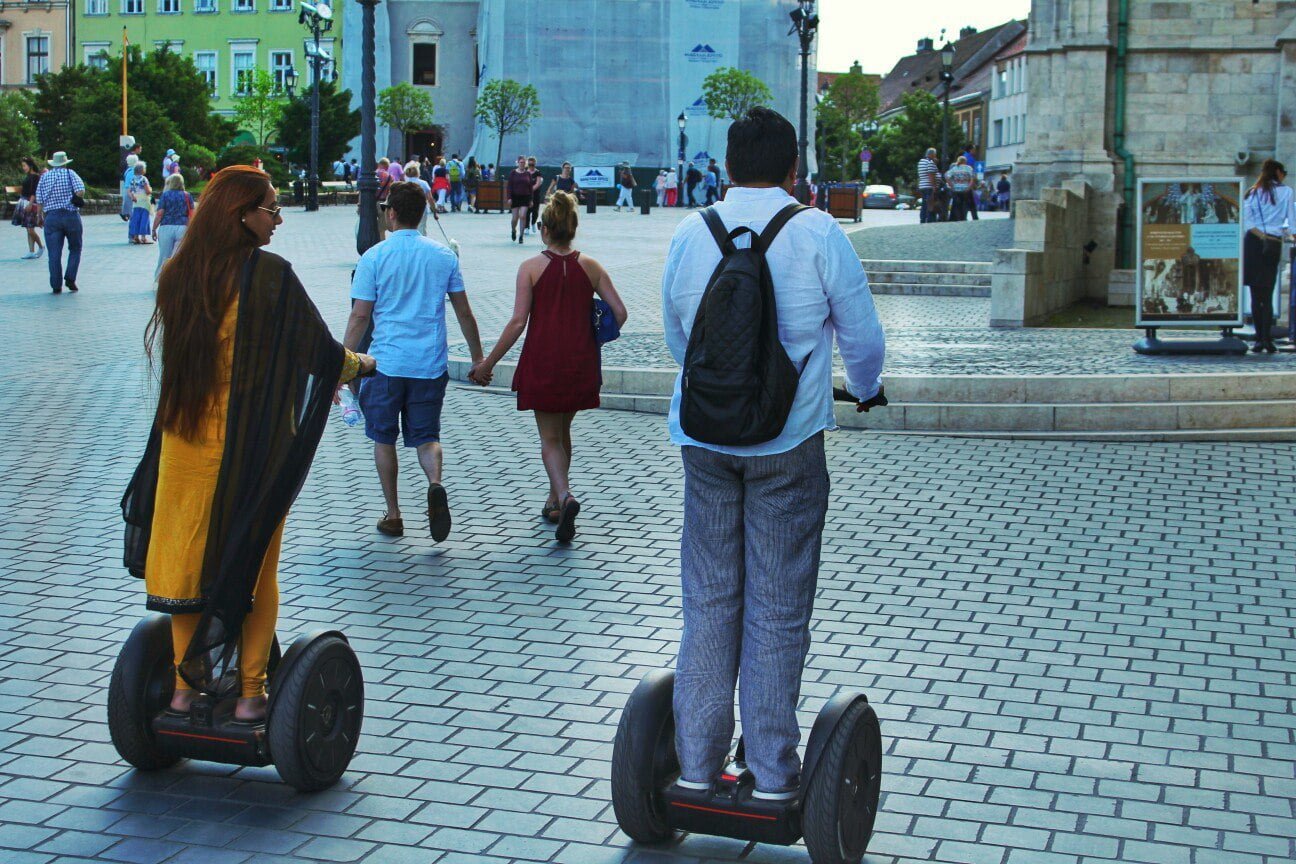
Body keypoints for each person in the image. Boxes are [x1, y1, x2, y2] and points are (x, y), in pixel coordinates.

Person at [660, 107, 885, 800]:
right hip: (789, 445)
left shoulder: (689, 234)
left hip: (705, 443)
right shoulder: (818, 232)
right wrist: (866, 391)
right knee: (778, 607)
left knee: (709, 601)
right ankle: (770, 775)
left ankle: (695, 767)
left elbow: (679, 338)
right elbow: (864, 339)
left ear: (726, 166)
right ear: (796, 170)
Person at [126, 165, 375, 721]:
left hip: (183, 444)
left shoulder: (177, 274)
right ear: (242, 216)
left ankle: (184, 692)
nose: (280, 219)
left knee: (191, 568)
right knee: (255, 569)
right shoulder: (269, 276)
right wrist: (362, 364)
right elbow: (319, 353)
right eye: (271, 208)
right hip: (250, 452)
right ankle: (250, 696)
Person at [470, 191, 627, 542]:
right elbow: (621, 312)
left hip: (544, 359)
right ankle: (555, 499)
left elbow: (516, 323)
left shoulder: (530, 268)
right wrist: (595, 333)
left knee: (549, 437)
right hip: (580, 360)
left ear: (543, 229)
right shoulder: (592, 266)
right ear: (573, 229)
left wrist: (487, 364)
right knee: (564, 431)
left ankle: (565, 495)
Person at [342, 182, 487, 541]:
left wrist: (343, 361)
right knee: (427, 437)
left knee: (383, 438)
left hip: (385, 363)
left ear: (390, 213)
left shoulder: (373, 257)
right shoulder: (443, 257)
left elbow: (360, 317)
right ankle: (435, 483)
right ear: (422, 213)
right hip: (429, 364)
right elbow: (465, 312)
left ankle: (393, 514)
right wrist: (478, 357)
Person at [1242, 159, 1295, 353]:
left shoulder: (1252, 192)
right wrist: (1286, 235)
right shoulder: (1287, 192)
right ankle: (1267, 340)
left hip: (1253, 242)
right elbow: (1292, 221)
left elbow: (1247, 222)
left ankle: (1259, 339)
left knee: (1256, 294)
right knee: (1268, 290)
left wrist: (1261, 235)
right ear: (1278, 173)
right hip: (1272, 243)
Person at [35, 151, 86, 294]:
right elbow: (80, 190)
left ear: (53, 163)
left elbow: (39, 200)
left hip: (51, 217)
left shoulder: (44, 177)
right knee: (75, 248)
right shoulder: (70, 174)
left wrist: (39, 216)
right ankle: (70, 278)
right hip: (70, 215)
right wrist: (73, 198)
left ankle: (56, 285)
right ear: (65, 162)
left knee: (54, 253)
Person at [151, 173, 193, 279]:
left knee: (164, 255)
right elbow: (192, 214)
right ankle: (177, 279)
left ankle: (160, 279)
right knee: (179, 256)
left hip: (166, 227)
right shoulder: (187, 195)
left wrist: (154, 228)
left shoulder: (166, 195)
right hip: (183, 227)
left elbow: (160, 213)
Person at [16, 157, 45, 260]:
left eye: (24, 165)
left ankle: (41, 247)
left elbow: (34, 192)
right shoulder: (28, 176)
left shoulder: (36, 177)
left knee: (30, 229)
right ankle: (31, 251)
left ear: (30, 165)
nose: (23, 168)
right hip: (24, 202)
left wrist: (30, 203)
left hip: (31, 203)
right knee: (28, 228)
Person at [508, 156, 533, 243]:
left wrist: (531, 200)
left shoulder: (528, 174)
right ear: (517, 163)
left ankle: (521, 236)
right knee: (515, 218)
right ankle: (513, 230)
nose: (522, 164)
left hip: (525, 197)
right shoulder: (513, 173)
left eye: (523, 162)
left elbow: (530, 187)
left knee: (523, 216)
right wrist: (509, 197)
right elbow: (509, 186)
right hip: (515, 197)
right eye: (520, 162)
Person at [128, 162, 154, 244]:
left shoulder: (133, 179)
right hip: (144, 202)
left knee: (136, 219)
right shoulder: (143, 179)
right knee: (144, 219)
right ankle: (143, 237)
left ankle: (135, 236)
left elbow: (129, 191)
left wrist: (132, 197)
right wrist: (151, 189)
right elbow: (147, 191)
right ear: (142, 170)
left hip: (136, 202)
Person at [945, 156, 977, 222]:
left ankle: (956, 218)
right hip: (966, 189)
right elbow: (973, 178)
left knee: (957, 205)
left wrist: (952, 186)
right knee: (970, 204)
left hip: (957, 190)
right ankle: (973, 217)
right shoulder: (969, 168)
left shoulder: (954, 168)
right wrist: (969, 187)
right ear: (965, 161)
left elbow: (947, 176)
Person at [917, 147, 940, 223]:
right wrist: (934, 186)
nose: (935, 156)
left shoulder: (921, 161)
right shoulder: (930, 162)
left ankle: (923, 218)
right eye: (934, 155)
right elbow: (931, 175)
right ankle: (929, 219)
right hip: (928, 186)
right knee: (929, 203)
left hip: (922, 186)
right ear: (931, 154)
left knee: (925, 202)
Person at [121, 141, 142, 222]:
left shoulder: (129, 168)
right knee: (130, 205)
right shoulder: (132, 171)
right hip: (132, 191)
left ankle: (126, 214)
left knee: (128, 203)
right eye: (140, 149)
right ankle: (127, 214)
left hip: (130, 190)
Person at [527, 157, 544, 234]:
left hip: (536, 194)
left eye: (532, 164)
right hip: (526, 195)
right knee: (526, 211)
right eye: (529, 164)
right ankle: (526, 227)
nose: (531, 166)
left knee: (535, 211)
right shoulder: (525, 172)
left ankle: (533, 223)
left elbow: (538, 183)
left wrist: (530, 190)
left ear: (535, 164)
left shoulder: (538, 172)